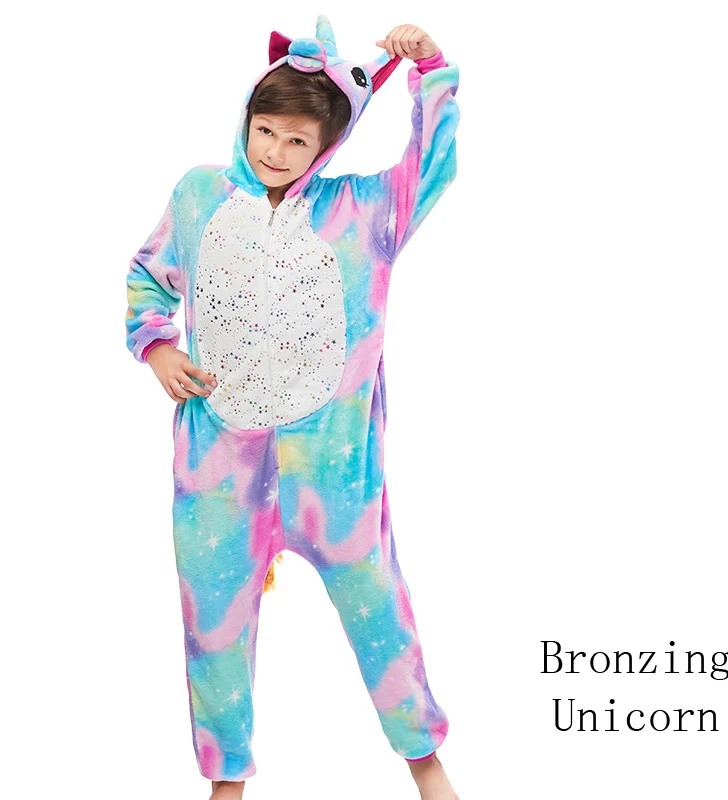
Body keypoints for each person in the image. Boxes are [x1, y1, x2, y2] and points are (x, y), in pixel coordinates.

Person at [125, 15, 460, 800]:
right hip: (217, 467)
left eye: (297, 140)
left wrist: (430, 73)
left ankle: (426, 764)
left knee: (379, 611)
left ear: (327, 147)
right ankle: (226, 781)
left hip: (333, 470)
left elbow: (432, 165)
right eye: (264, 129)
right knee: (213, 626)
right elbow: (147, 277)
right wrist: (158, 347)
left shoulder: (363, 211)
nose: (273, 150)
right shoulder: (200, 194)